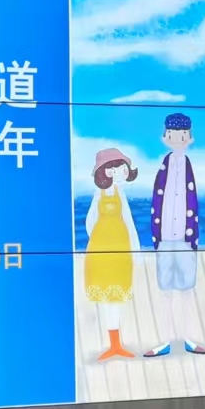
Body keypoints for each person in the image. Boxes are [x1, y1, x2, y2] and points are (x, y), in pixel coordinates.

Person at [147, 112, 205, 357]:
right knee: (165, 292)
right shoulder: (164, 166)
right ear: (165, 137)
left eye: (183, 135)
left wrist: (193, 239)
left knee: (186, 291)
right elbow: (157, 200)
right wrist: (156, 236)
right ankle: (164, 340)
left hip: (185, 239)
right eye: (173, 135)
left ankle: (188, 339)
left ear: (189, 138)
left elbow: (193, 202)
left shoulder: (188, 165)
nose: (178, 139)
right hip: (164, 238)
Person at [84, 148, 142, 361]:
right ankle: (113, 344)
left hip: (120, 251)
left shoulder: (120, 194)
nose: (119, 171)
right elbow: (90, 222)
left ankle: (116, 345)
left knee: (116, 297)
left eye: (121, 167)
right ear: (104, 171)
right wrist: (100, 240)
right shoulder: (97, 195)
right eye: (114, 168)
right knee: (106, 298)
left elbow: (129, 222)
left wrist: (135, 249)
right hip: (101, 252)